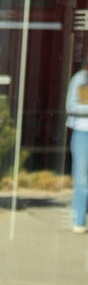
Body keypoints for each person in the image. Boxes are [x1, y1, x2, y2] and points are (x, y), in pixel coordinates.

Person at [66, 56, 88, 233]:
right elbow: (71, 106)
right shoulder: (80, 79)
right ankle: (79, 220)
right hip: (83, 133)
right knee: (81, 179)